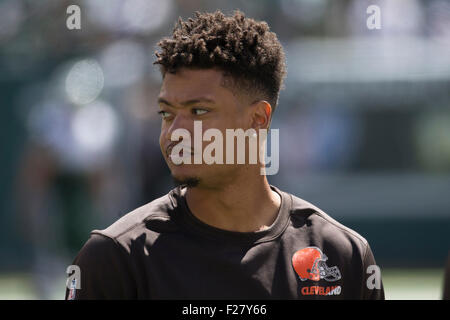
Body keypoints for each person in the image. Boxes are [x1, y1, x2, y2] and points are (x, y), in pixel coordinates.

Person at [65, 10, 384, 300]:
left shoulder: (342, 256)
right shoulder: (116, 259)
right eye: (166, 113)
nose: (175, 132)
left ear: (258, 119)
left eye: (199, 111)